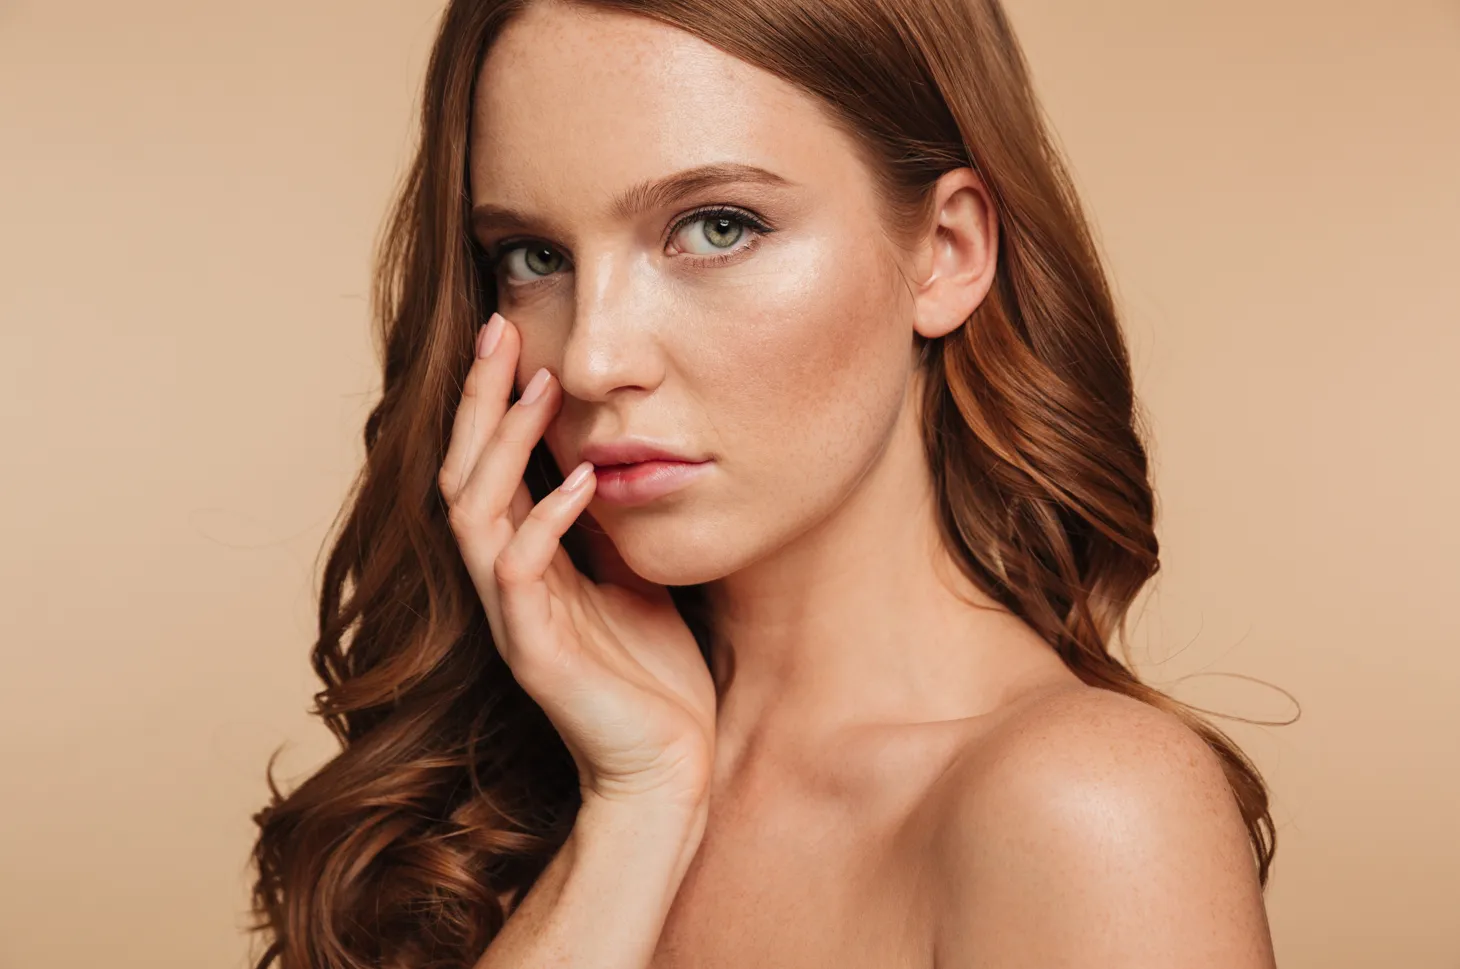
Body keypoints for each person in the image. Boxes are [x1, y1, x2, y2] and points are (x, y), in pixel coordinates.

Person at [250, 0, 1279, 966]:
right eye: (532, 256)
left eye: (716, 227)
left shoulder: (1090, 810)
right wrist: (636, 805)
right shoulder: (527, 772)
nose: (595, 358)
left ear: (945, 251)